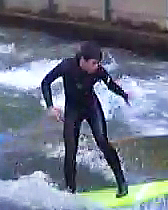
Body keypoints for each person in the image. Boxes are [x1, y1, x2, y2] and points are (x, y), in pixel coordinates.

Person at [40, 42, 130, 198]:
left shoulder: (98, 71)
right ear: (83, 60)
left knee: (102, 141)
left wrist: (125, 95)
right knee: (70, 150)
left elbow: (110, 85)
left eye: (98, 63)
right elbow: (45, 82)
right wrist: (50, 106)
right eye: (94, 63)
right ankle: (71, 191)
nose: (97, 66)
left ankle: (121, 182)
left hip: (91, 108)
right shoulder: (67, 66)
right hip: (72, 111)